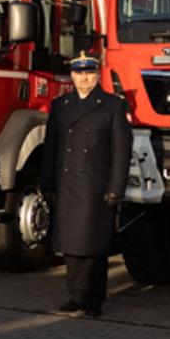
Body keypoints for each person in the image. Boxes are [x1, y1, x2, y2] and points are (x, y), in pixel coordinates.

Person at [41, 53, 132, 317]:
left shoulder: (112, 105)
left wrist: (116, 188)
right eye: (79, 74)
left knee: (93, 245)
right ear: (72, 76)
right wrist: (47, 183)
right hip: (67, 182)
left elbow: (121, 152)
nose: (84, 79)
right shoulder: (60, 105)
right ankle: (75, 295)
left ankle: (93, 299)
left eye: (89, 73)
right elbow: (50, 147)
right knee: (71, 244)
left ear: (97, 75)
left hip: (95, 185)